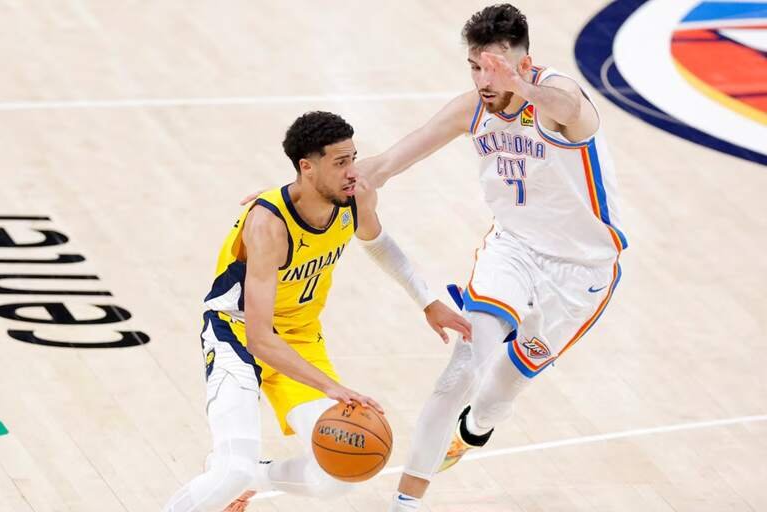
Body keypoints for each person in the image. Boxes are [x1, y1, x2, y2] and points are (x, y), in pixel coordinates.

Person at [355, 5, 628, 510]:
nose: (484, 79)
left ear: (524, 62)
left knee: (498, 392)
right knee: (465, 364)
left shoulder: (559, 99)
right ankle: (406, 502)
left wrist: (521, 86)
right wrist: (302, 192)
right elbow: (389, 162)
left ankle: (473, 430)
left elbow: (566, 108)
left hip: (582, 272)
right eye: (476, 67)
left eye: (495, 67)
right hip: (514, 250)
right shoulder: (471, 109)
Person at [161, 111, 471, 512]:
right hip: (236, 336)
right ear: (307, 168)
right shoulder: (267, 226)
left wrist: (428, 301)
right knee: (230, 471)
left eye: (353, 159)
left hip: (301, 338)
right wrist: (331, 386)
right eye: (340, 163)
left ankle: (256, 475)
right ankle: (238, 474)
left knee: (339, 474)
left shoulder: (355, 195)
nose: (352, 172)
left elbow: (379, 241)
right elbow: (259, 339)